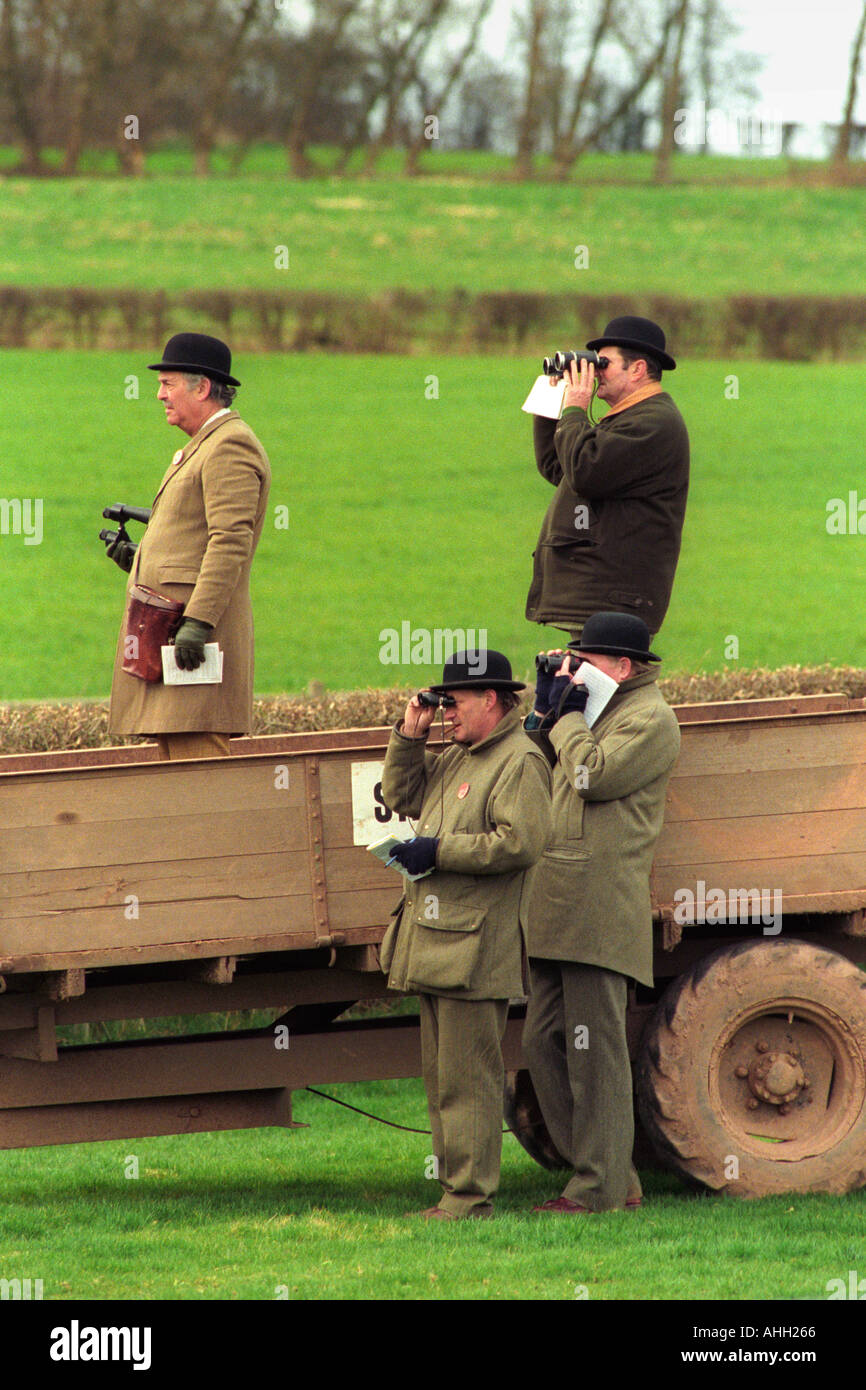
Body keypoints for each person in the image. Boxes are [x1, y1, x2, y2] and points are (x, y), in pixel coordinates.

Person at [379, 650, 552, 1220]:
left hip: (475, 947)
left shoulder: (519, 760)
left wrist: (439, 851)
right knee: (443, 1079)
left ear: (493, 700)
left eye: (454, 702)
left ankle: (470, 1198)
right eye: (442, 701)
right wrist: (410, 733)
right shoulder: (460, 756)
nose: (446, 711)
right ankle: (457, 1191)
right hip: (438, 941)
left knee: (469, 1081)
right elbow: (403, 797)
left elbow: (519, 843)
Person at [522, 612, 680, 1214]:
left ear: (622, 666)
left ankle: (601, 1186)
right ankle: (608, 1172)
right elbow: (541, 767)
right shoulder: (596, 710)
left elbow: (590, 775)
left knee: (596, 1054)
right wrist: (545, 712)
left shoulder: (648, 718)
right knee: (542, 1044)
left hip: (598, 907)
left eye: (585, 660)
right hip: (557, 902)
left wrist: (566, 716)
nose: (576, 668)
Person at [106, 333, 271, 759]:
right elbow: (195, 539)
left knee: (198, 766)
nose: (160, 394)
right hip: (174, 633)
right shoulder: (206, 445)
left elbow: (230, 541)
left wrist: (198, 622)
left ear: (202, 387)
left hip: (192, 637)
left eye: (169, 383)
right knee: (176, 761)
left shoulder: (229, 445)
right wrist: (138, 557)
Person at [525, 316, 690, 644]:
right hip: (600, 598)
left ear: (638, 369)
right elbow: (561, 470)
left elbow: (585, 472)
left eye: (604, 363)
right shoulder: (629, 419)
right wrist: (551, 403)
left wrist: (575, 408)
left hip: (613, 600)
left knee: (605, 690)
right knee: (586, 691)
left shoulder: (653, 424)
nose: (595, 371)